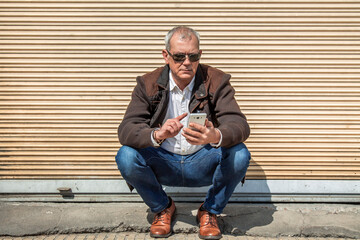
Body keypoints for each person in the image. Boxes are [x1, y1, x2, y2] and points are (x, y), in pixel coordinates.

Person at [115, 26, 251, 239]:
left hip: (202, 161)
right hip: (164, 162)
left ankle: (209, 211)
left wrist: (215, 136)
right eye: (179, 56)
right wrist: (158, 134)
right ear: (165, 56)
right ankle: (162, 207)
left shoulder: (217, 80)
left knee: (240, 154)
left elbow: (239, 124)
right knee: (126, 155)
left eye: (193, 56)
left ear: (200, 55)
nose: (187, 62)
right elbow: (127, 129)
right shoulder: (147, 84)